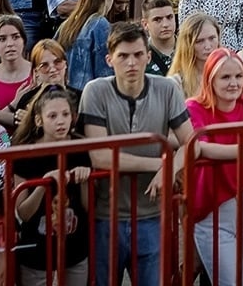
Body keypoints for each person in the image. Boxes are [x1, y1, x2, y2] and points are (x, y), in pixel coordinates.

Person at [80, 22, 194, 286]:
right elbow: (100, 156)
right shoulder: (95, 91)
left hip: (152, 214)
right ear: (110, 60)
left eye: (137, 55)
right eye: (123, 56)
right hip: (106, 216)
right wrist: (160, 163)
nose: (131, 62)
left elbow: (192, 142)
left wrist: (170, 168)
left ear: (148, 56)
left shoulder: (167, 89)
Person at [184, 48, 243, 286]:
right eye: (225, 77)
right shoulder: (194, 107)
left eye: (238, 76)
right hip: (211, 211)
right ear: (210, 79)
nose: (234, 83)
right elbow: (201, 146)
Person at [10, 85, 91, 286]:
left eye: (65, 114)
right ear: (39, 120)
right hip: (36, 250)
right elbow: (23, 212)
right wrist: (42, 185)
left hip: (75, 246)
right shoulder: (25, 153)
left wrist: (85, 180)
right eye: (52, 116)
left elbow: (89, 206)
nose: (61, 121)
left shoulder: (82, 147)